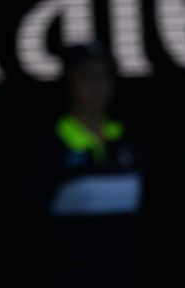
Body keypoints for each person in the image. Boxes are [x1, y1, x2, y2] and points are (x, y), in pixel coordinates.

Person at [27, 42, 144, 287]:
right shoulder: (49, 147)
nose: (97, 85)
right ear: (70, 82)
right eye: (87, 76)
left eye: (103, 75)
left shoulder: (129, 143)